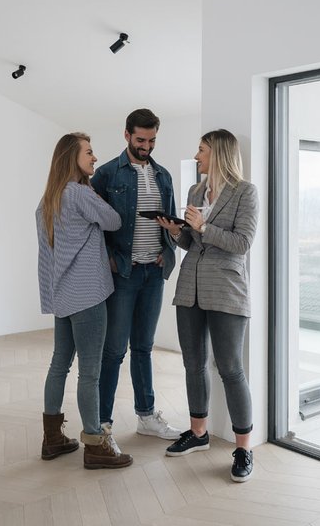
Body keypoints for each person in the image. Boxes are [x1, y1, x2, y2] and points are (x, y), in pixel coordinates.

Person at [155, 129, 258, 483]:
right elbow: (191, 241)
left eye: (201, 151)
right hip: (190, 290)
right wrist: (175, 231)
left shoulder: (246, 192)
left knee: (230, 368)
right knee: (193, 364)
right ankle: (198, 433)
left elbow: (242, 242)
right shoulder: (196, 191)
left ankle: (244, 448)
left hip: (227, 290)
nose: (196, 156)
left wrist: (203, 225)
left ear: (218, 153)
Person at [36, 132, 133, 470]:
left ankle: (52, 438)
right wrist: (95, 194)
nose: (94, 158)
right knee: (89, 374)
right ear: (71, 158)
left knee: (59, 365)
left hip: (62, 296)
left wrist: (51, 298)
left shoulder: (47, 201)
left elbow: (46, 256)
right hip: (89, 296)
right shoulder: (79, 194)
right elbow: (114, 220)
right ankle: (95, 444)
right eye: (89, 153)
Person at [91, 108, 183, 445]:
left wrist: (169, 243)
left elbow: (170, 224)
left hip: (153, 273)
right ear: (127, 135)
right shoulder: (105, 175)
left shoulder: (163, 176)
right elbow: (92, 226)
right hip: (123, 274)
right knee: (113, 351)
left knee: (144, 347)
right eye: (141, 139)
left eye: (152, 140)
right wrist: (110, 261)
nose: (146, 146)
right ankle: (101, 427)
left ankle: (146, 416)